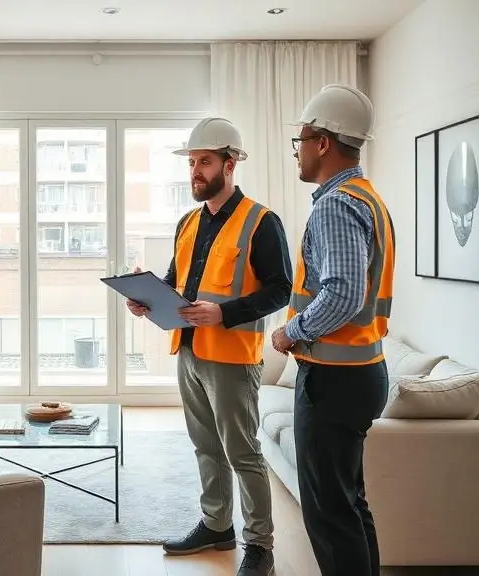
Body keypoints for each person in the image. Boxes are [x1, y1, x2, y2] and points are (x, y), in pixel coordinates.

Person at [127, 117, 292, 576]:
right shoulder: (188, 222)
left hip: (234, 358)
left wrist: (224, 312)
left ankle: (260, 546)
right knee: (204, 445)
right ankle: (217, 525)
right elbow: (177, 283)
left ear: (230, 163)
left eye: (204, 162)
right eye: (192, 162)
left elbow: (281, 290)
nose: (195, 171)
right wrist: (147, 298)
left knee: (242, 453)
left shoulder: (261, 222)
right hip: (190, 351)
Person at [270, 84, 395, 576]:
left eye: (300, 139)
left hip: (334, 380)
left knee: (329, 513)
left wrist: (289, 333)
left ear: (323, 141)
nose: (297, 151)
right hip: (362, 371)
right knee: (349, 504)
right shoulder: (367, 197)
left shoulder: (336, 205)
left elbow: (342, 294)